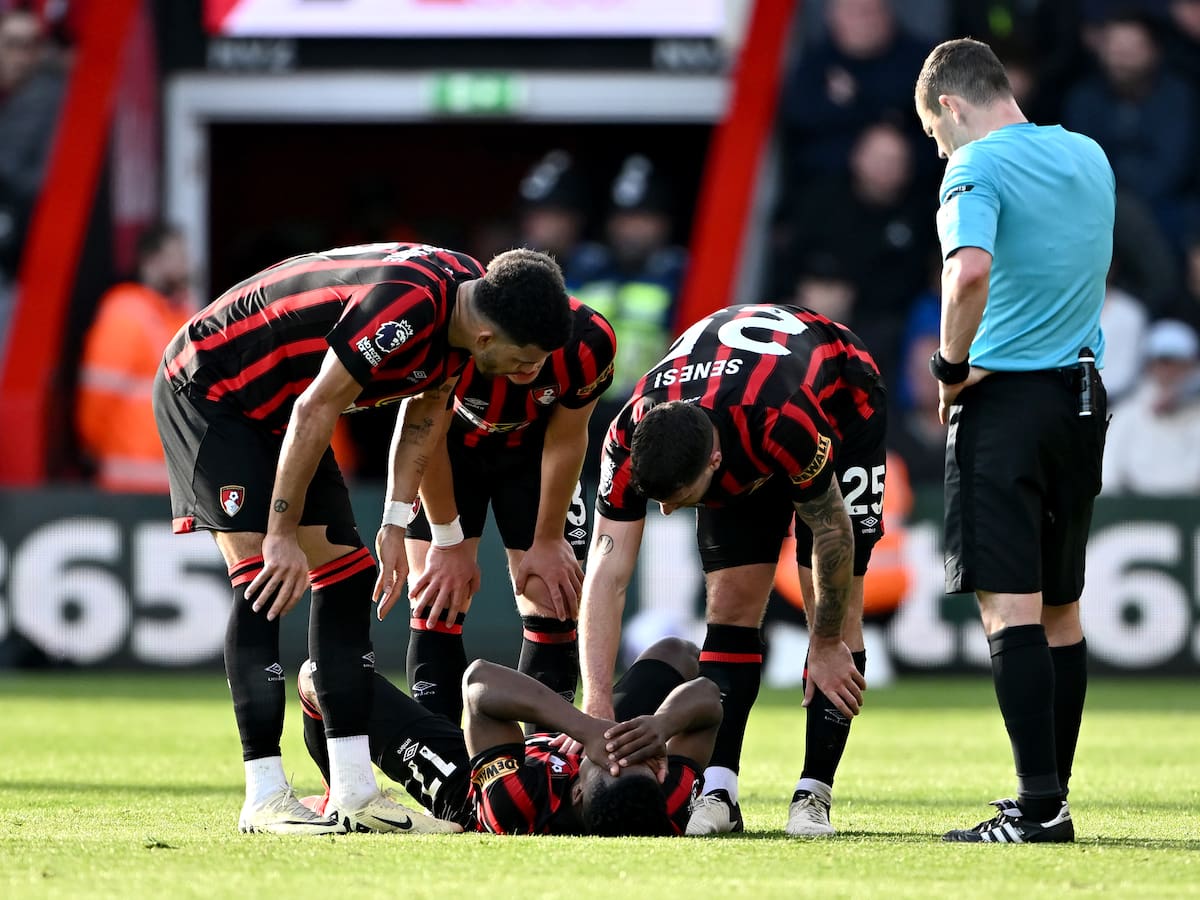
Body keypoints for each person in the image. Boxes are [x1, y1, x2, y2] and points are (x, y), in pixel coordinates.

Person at [153, 242, 573, 834]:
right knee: (264, 580)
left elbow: (425, 413)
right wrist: (279, 533)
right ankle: (264, 796)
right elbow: (318, 406)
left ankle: (353, 793)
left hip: (285, 410)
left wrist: (396, 521)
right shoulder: (407, 307)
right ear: (485, 337)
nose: (531, 375)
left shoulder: (472, 303)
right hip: (216, 391)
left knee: (347, 579)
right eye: (527, 360)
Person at [579, 302, 885, 837]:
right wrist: (597, 701)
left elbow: (832, 531)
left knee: (837, 607)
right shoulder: (628, 434)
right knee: (731, 606)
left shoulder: (779, 422)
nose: (669, 511)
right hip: (730, 412)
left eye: (681, 498)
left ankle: (814, 794)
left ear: (714, 463)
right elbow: (606, 571)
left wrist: (828, 641)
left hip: (840, 399)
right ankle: (719, 788)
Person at [915, 37, 1114, 843]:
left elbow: (968, 273)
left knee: (1011, 607)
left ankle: (1039, 809)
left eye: (935, 132)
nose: (939, 146)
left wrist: (948, 366)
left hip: (1007, 404)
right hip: (1084, 398)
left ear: (953, 107)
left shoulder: (975, 168)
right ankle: (1051, 797)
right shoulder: (1089, 156)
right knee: (1063, 610)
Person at [404, 296, 616, 727]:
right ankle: (444, 766)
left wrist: (549, 538)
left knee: (554, 599)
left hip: (535, 459)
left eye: (541, 357)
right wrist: (448, 542)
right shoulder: (446, 333)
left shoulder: (591, 342)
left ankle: (545, 761)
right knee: (436, 596)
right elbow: (425, 434)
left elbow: (568, 437)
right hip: (450, 454)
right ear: (486, 335)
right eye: (519, 355)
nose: (529, 367)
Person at [297, 637, 722, 836]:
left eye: (613, 754)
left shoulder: (516, 804)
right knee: (676, 654)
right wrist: (660, 727)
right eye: (640, 754)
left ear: (576, 793)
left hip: (468, 782)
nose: (620, 744)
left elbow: (480, 683)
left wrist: (585, 729)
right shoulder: (662, 801)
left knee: (324, 676)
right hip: (559, 744)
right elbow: (707, 697)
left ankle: (340, 794)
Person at [77, 224, 195, 492]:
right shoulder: (125, 312)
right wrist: (95, 448)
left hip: (176, 482)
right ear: (151, 261)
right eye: (177, 256)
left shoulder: (184, 315)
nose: (186, 265)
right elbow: (98, 398)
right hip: (129, 480)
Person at [1102, 319, 1200, 495]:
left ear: (1192, 364)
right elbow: (1108, 477)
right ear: (1149, 365)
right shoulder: (1125, 416)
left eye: (1178, 362)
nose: (1168, 370)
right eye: (1162, 361)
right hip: (1136, 518)